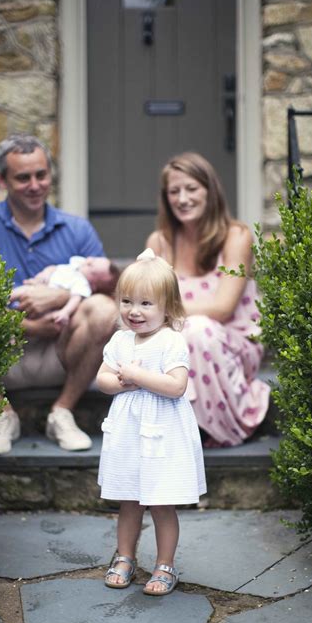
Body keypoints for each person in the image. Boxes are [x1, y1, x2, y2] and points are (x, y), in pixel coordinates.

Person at [0, 134, 118, 454]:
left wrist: (56, 298)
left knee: (101, 309)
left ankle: (62, 412)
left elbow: (109, 292)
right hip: (1, 354)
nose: (35, 185)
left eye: (41, 175)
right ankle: (1, 416)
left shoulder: (77, 229)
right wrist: (28, 325)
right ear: (2, 179)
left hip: (62, 350)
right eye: (23, 177)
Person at [96, 249, 206, 596]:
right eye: (127, 301)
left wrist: (139, 375)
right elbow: (102, 379)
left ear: (168, 308)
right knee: (128, 499)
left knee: (161, 501)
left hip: (162, 435)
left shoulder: (170, 341)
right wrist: (119, 381)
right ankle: (125, 557)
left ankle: (164, 565)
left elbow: (176, 386)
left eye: (146, 303)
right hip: (129, 433)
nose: (134, 311)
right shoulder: (119, 341)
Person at [146, 152, 270, 448]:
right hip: (177, 345)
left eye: (191, 188)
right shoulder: (159, 242)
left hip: (231, 343)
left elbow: (222, 309)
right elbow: (143, 300)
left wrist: (163, 312)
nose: (183, 199)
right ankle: (172, 426)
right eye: (174, 191)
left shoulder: (236, 236)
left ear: (210, 191)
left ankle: (210, 427)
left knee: (198, 329)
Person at [13, 256, 120, 326]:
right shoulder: (72, 267)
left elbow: (76, 298)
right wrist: (41, 276)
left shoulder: (81, 283)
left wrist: (65, 312)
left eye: (90, 266)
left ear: (93, 285)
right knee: (21, 291)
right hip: (37, 288)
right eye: (94, 259)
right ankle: (4, 298)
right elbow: (53, 268)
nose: (89, 260)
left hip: (47, 309)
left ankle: (14, 333)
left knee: (45, 321)